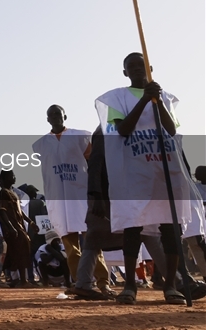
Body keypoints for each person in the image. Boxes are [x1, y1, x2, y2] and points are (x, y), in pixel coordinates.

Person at [96, 52, 195, 305]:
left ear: (150, 68)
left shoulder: (164, 98)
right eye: (132, 67)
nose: (138, 70)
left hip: (164, 171)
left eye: (142, 66)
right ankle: (129, 286)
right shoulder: (118, 98)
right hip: (134, 172)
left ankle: (171, 286)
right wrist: (143, 101)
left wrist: (157, 100)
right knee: (133, 227)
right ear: (125, 72)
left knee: (170, 228)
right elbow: (123, 130)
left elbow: (171, 130)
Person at [33, 106, 95, 285]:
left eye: (58, 114)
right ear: (47, 119)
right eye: (51, 115)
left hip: (79, 196)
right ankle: (80, 283)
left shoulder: (79, 137)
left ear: (65, 116)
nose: (55, 117)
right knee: (70, 246)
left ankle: (102, 281)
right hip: (58, 199)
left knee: (91, 241)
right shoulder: (41, 144)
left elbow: (91, 161)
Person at [0, 169, 31, 288]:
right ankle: (21, 280)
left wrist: (30, 222)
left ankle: (17, 279)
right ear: (5, 178)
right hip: (13, 228)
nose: (14, 177)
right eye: (11, 175)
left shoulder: (14, 193)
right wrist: (10, 227)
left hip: (19, 226)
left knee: (21, 251)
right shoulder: (3, 193)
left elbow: (19, 211)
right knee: (19, 252)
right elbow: (2, 211)